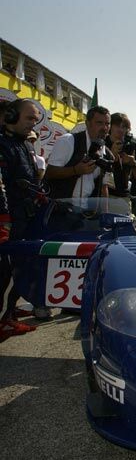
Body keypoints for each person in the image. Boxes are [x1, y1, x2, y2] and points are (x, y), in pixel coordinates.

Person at [0, 99, 43, 336]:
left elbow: (31, 179)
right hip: (8, 218)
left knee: (20, 267)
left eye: (35, 120)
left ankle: (9, 313)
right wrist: (4, 218)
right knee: (3, 271)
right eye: (29, 119)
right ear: (12, 116)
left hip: (25, 216)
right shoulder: (3, 144)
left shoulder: (24, 145)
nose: (32, 124)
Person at [45, 105, 111, 200]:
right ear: (87, 123)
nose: (104, 128)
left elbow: (104, 189)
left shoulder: (107, 154)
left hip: (88, 211)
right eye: (99, 123)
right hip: (61, 207)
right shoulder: (68, 141)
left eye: (107, 124)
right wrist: (75, 170)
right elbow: (50, 172)